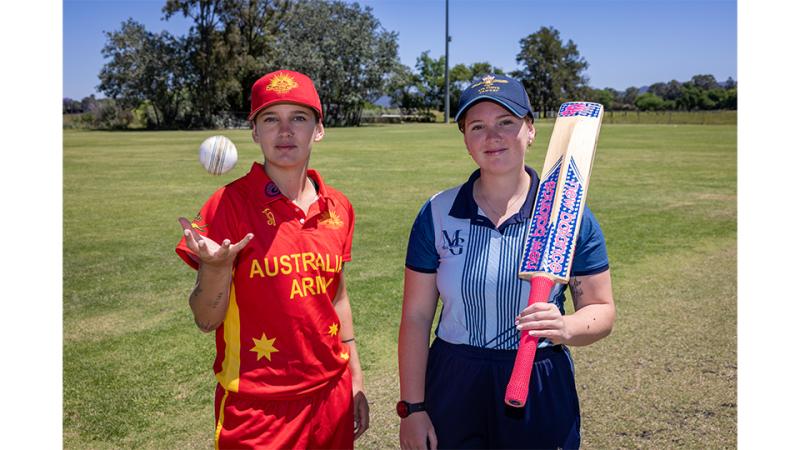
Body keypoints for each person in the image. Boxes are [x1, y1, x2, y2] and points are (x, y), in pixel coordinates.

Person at [397, 74, 615, 450]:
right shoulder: (437, 212)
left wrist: (565, 326)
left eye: (506, 123)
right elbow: (416, 318)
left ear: (530, 131)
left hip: (539, 376)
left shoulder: (568, 213)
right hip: (454, 376)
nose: (492, 137)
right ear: (465, 140)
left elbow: (600, 309)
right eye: (477, 126)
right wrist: (413, 408)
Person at [175, 70, 369, 449]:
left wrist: (355, 374)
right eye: (270, 119)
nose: (285, 131)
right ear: (254, 133)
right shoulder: (227, 205)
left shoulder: (339, 207)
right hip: (258, 407)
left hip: (330, 391)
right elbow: (205, 319)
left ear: (318, 129)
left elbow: (337, 295)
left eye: (298, 118)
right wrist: (216, 267)